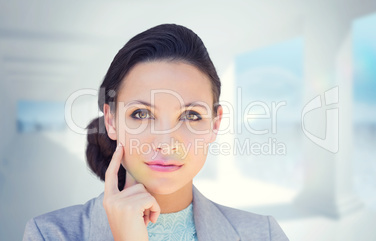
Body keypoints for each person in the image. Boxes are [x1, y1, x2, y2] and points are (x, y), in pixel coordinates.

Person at [23, 23, 289, 241]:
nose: (166, 143)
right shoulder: (50, 234)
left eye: (190, 115)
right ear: (112, 121)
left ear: (214, 125)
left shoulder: (263, 234)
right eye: (141, 114)